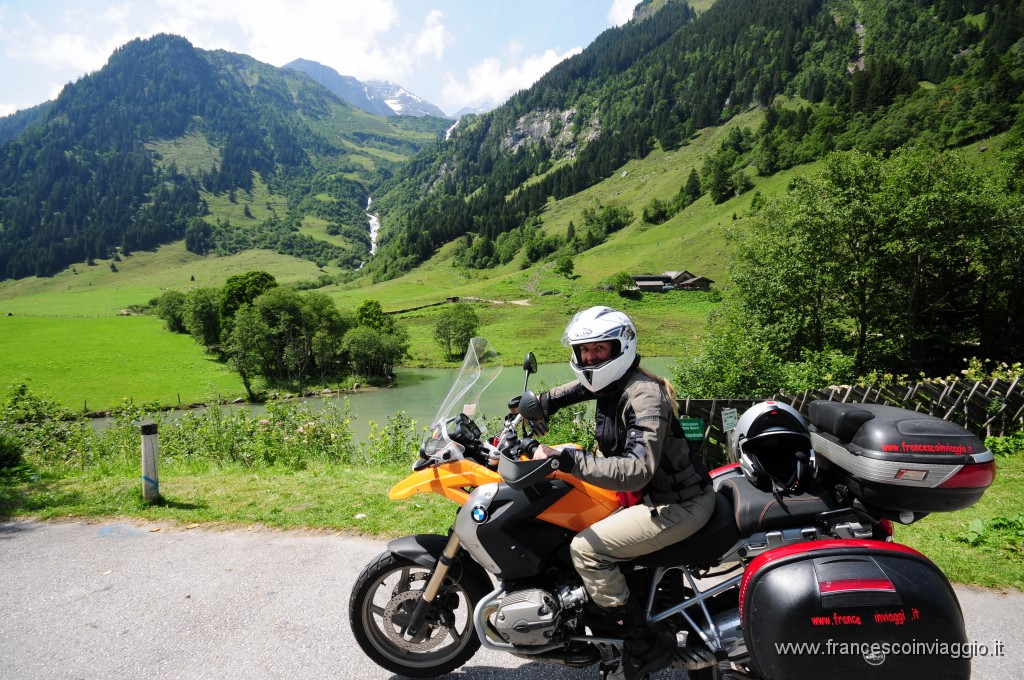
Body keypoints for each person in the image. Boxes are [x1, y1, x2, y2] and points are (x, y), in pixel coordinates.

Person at [530, 305, 714, 680]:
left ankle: (642, 643)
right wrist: (535, 404)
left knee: (586, 548)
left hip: (679, 505)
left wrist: (568, 459)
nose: (590, 357)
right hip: (656, 499)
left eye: (600, 349)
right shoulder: (615, 383)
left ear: (621, 347)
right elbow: (573, 390)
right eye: (584, 350)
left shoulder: (644, 395)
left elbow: (636, 470)